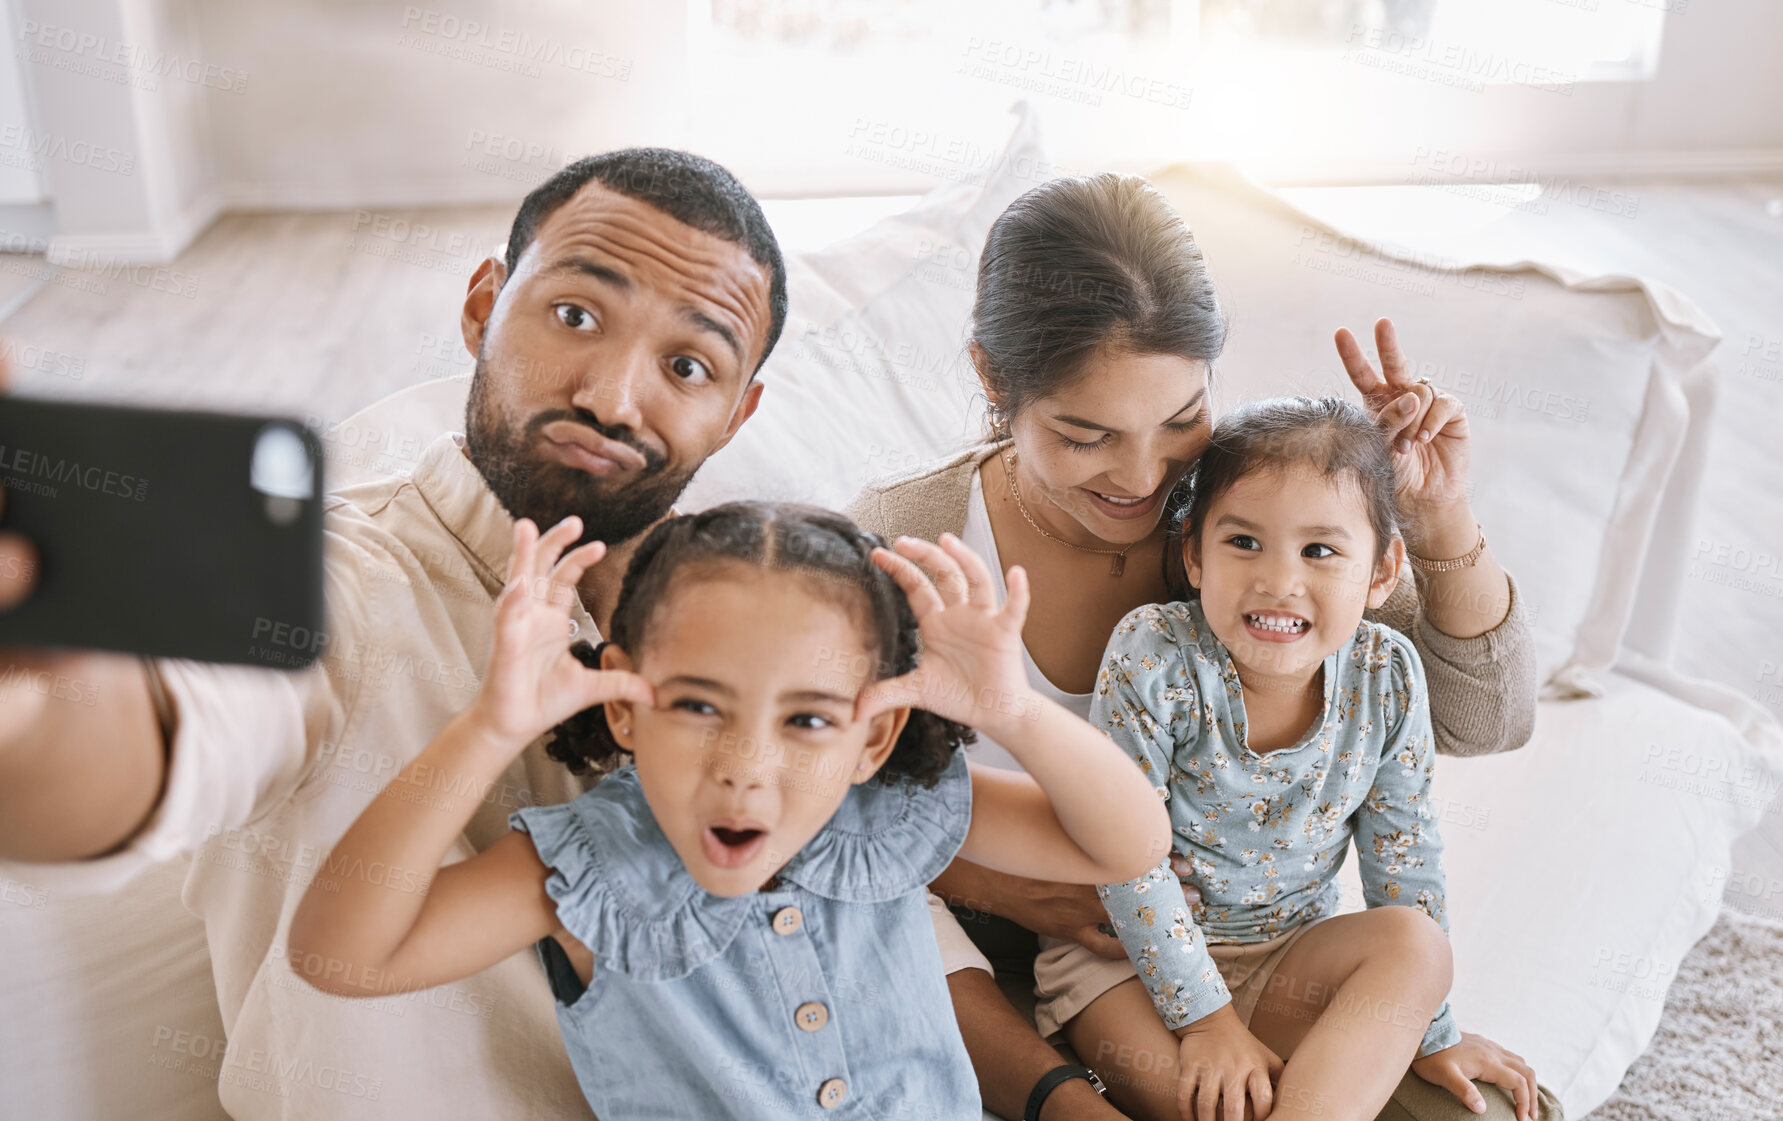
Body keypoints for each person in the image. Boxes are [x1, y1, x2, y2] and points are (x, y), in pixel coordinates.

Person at [0, 148, 790, 1116]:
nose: (613, 398)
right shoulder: (341, 585)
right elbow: (170, 736)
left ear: (737, 411)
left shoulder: (767, 619)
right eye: (575, 315)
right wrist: (31, 700)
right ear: (481, 307)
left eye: (687, 365)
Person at [846, 173, 1556, 1121]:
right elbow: (813, 810)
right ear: (991, 380)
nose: (1143, 478)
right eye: (1084, 434)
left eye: (1180, 420)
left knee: (1499, 1110)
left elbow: (1484, 717)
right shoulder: (898, 540)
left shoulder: (1244, 523)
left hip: (1232, 958)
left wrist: (1433, 515)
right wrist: (1005, 888)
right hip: (993, 964)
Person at [288, 502, 1170, 1118]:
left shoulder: (883, 807)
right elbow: (340, 955)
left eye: (808, 719)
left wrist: (1011, 711)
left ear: (871, 737)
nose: (746, 769)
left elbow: (1129, 841)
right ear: (626, 708)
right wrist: (492, 725)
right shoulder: (591, 869)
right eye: (700, 706)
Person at [1046, 395, 1527, 1121]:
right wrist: (1206, 1023)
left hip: (1285, 959)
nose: (1278, 580)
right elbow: (1124, 861)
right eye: (1243, 542)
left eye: (1318, 550)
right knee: (1223, 1106)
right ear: (1192, 553)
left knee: (1416, 945)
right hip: (1124, 965)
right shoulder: (1155, 653)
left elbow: (1405, 857)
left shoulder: (1386, 672)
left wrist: (1429, 1032)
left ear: (1381, 570)